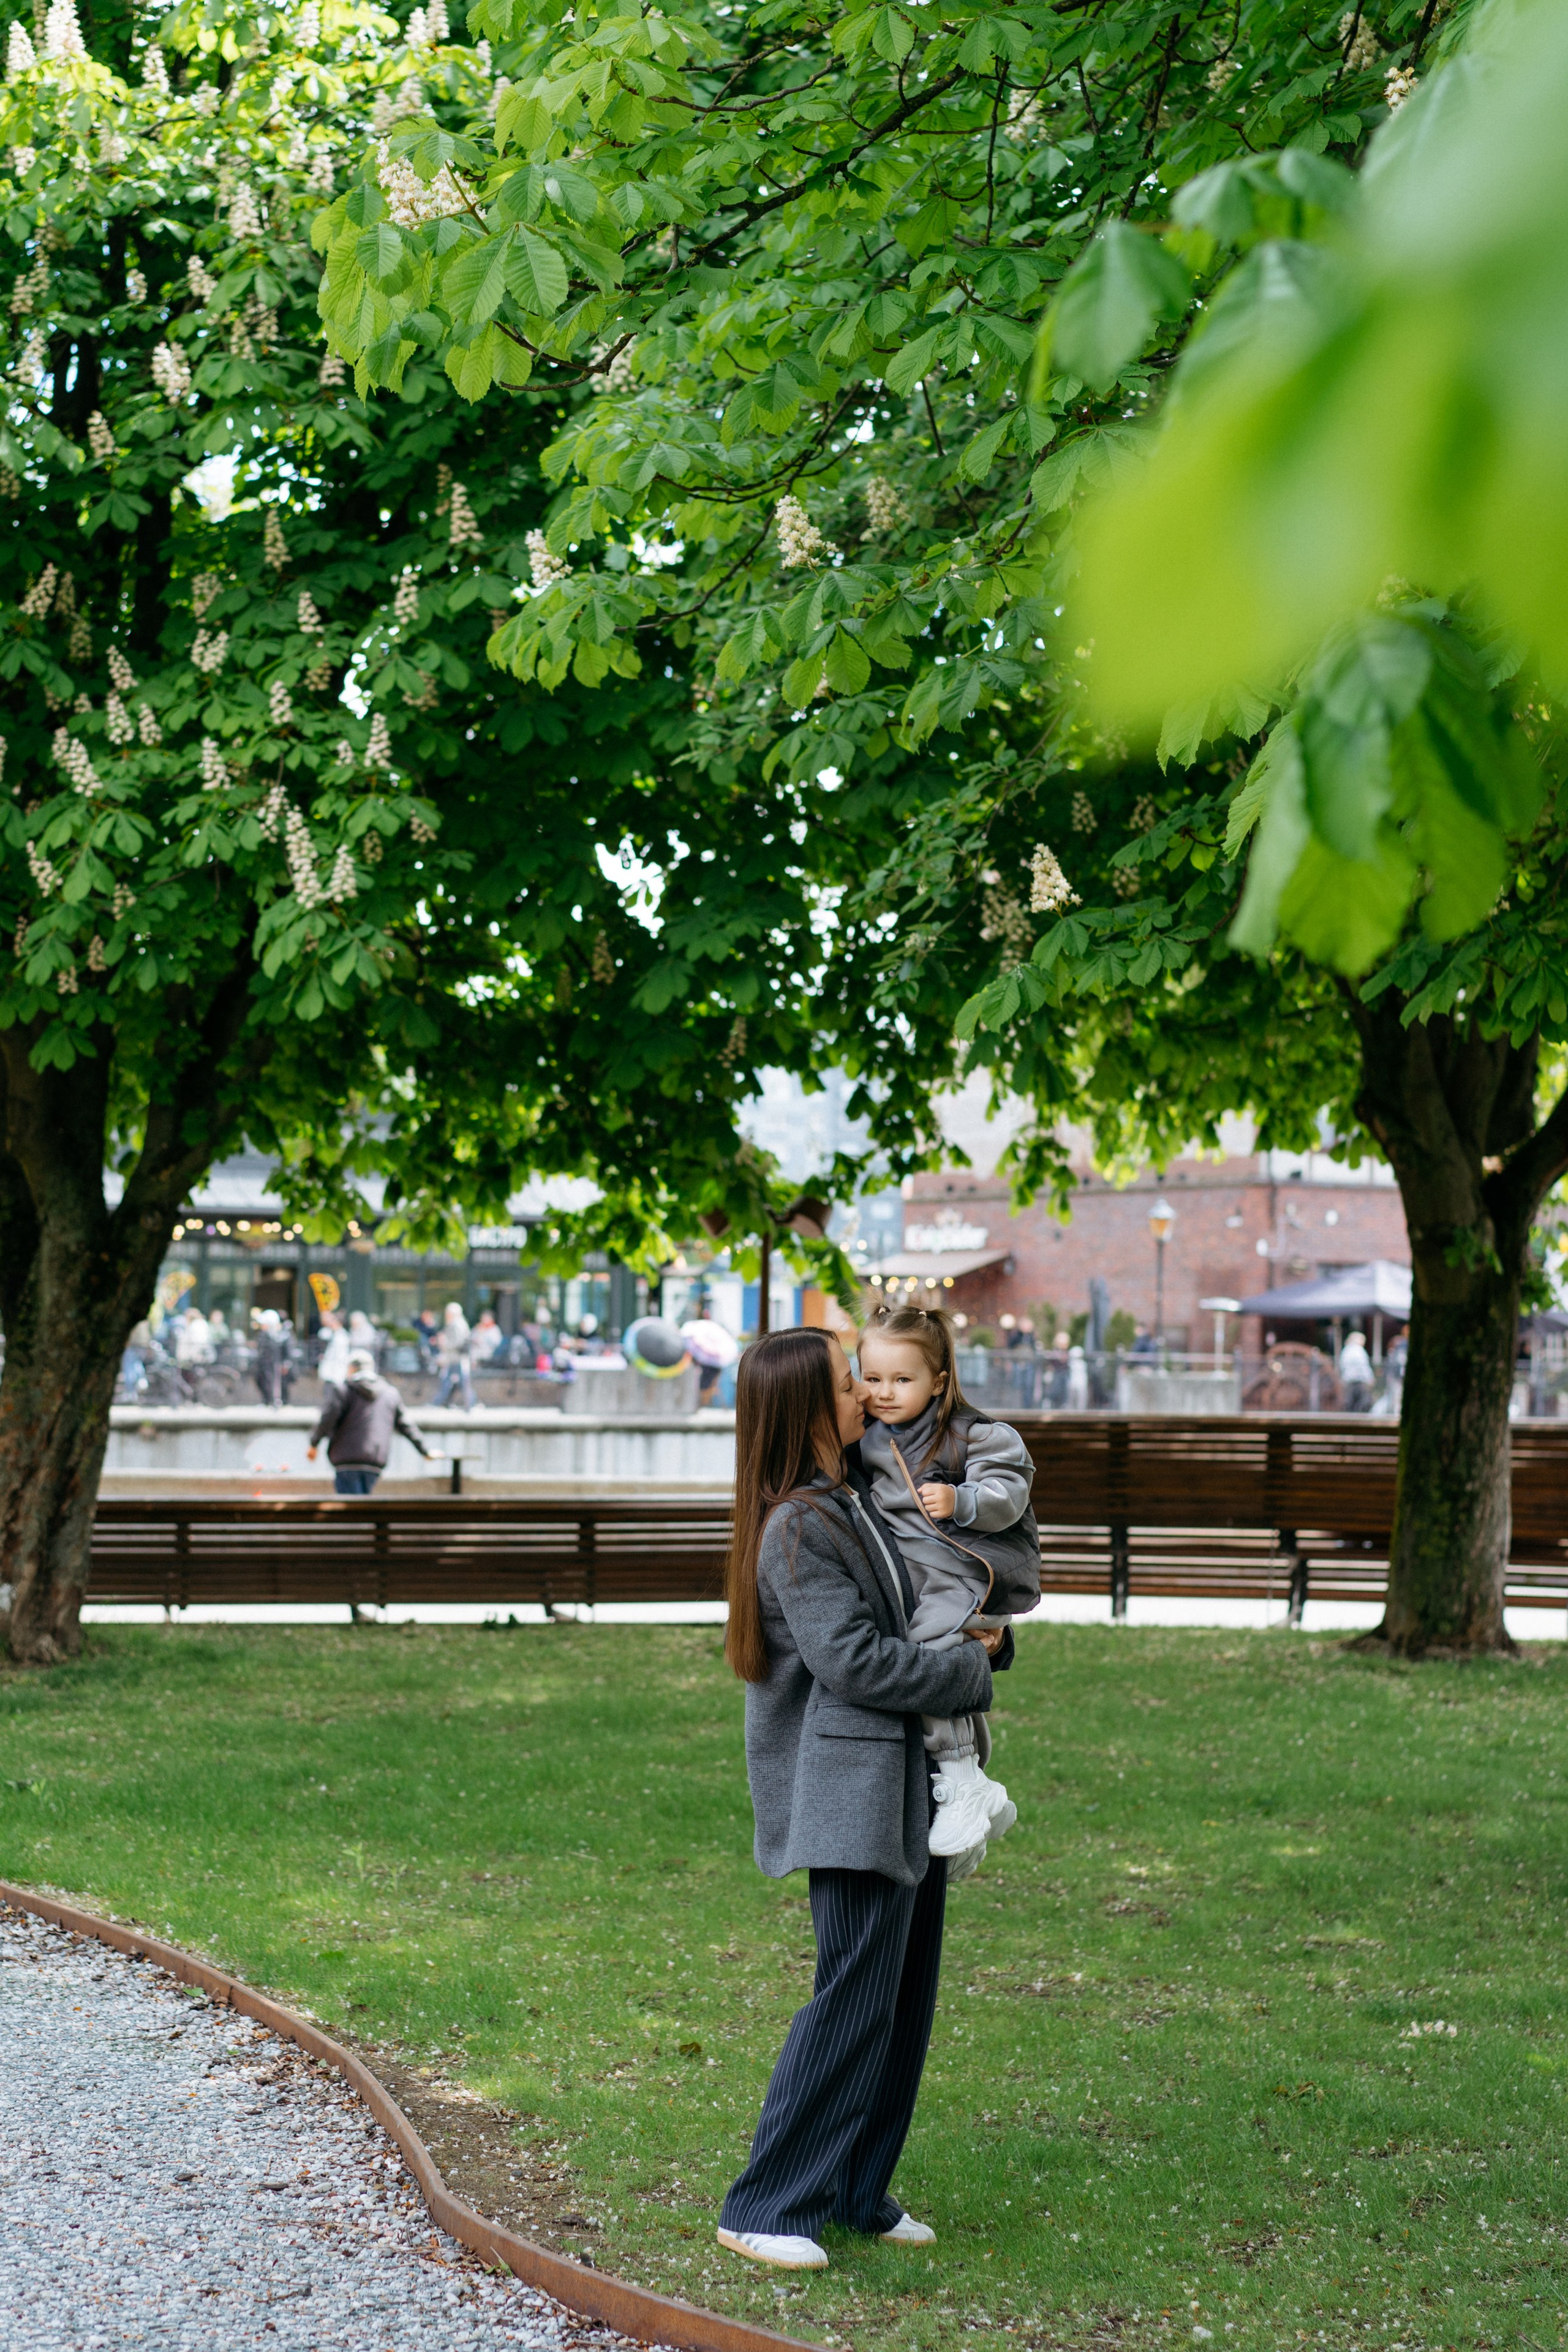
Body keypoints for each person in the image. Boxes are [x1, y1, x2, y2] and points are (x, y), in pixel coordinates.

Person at [716, 1327, 1009, 2275]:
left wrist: (978, 1634)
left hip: (901, 1783)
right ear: (805, 1407)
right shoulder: (799, 1523)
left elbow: (911, 1610)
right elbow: (852, 1663)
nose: (865, 1393)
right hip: (851, 1788)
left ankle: (855, 2192)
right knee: (850, 1996)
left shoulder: (849, 1499)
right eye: (847, 1381)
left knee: (899, 1997)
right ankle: (767, 2202)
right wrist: (967, 1668)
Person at [856, 1305, 1038, 1871]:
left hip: (960, 1572)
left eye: (902, 1380)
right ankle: (976, 1782)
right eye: (872, 1377)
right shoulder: (866, 1435)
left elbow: (1010, 1489)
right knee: (935, 1656)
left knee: (926, 1652)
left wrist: (963, 1500)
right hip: (916, 1575)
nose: (884, 1393)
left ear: (938, 1382)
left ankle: (960, 1780)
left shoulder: (972, 1434)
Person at [306, 1349, 441, 1494]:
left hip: (346, 1459)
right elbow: (406, 1425)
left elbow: (328, 1418)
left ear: (351, 1368)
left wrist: (314, 1444)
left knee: (351, 1511)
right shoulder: (390, 1394)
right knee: (364, 1508)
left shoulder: (344, 1389)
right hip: (375, 1461)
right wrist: (425, 1450)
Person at [432, 1302, 477, 1409]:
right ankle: (445, 1402)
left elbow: (458, 1342)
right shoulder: (461, 1323)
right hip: (456, 1358)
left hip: (457, 1358)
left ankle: (442, 1402)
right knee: (455, 1381)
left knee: (458, 1381)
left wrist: (444, 1344)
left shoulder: (456, 1324)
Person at [251, 1308, 287, 1407]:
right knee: (261, 1381)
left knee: (271, 1381)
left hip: (271, 1362)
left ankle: (272, 1401)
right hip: (263, 1362)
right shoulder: (264, 1334)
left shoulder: (277, 1335)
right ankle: (267, 1400)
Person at [1339, 1325, 1373, 1412]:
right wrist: (1370, 1378)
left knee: (1350, 1402)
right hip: (1359, 1380)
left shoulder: (1345, 1351)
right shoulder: (1359, 1351)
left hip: (1348, 1380)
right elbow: (1363, 1366)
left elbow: (1342, 1365)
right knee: (1361, 1402)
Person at [316, 1310, 351, 1389]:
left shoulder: (341, 1337)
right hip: (330, 1373)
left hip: (336, 1373)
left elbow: (340, 1356)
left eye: (333, 1321)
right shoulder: (332, 1334)